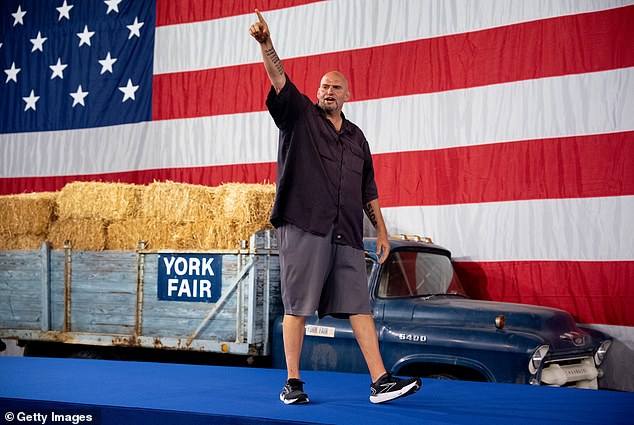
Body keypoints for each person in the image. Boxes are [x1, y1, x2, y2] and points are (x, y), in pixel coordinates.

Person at [249, 9, 422, 405]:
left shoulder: (358, 137)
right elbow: (279, 79)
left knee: (358, 305)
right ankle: (292, 383)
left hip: (346, 232)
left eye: (335, 88)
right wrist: (266, 45)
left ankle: (380, 382)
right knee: (298, 306)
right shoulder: (300, 116)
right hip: (304, 226)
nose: (328, 91)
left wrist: (380, 231)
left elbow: (368, 187)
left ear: (348, 95)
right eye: (324, 86)